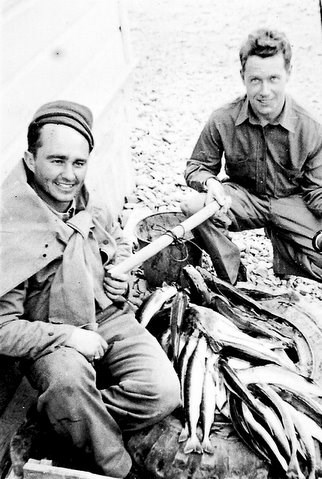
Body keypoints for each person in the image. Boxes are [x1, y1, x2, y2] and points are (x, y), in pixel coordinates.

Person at [0, 100, 181, 478]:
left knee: (162, 391)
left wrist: (121, 280)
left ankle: (60, 424)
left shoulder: (90, 204)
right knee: (69, 384)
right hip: (54, 337)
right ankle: (118, 468)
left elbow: (118, 248)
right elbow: (2, 329)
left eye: (78, 163)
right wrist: (68, 336)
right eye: (57, 160)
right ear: (30, 160)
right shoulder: (9, 226)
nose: (69, 175)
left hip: (109, 318)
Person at [181, 28, 322, 285]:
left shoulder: (310, 127)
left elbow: (316, 192)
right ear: (242, 77)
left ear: (288, 75)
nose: (264, 90)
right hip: (243, 199)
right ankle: (233, 278)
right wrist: (211, 183)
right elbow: (197, 166)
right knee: (194, 208)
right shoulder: (223, 118)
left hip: (290, 201)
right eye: (255, 80)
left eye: (273, 79)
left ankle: (286, 253)